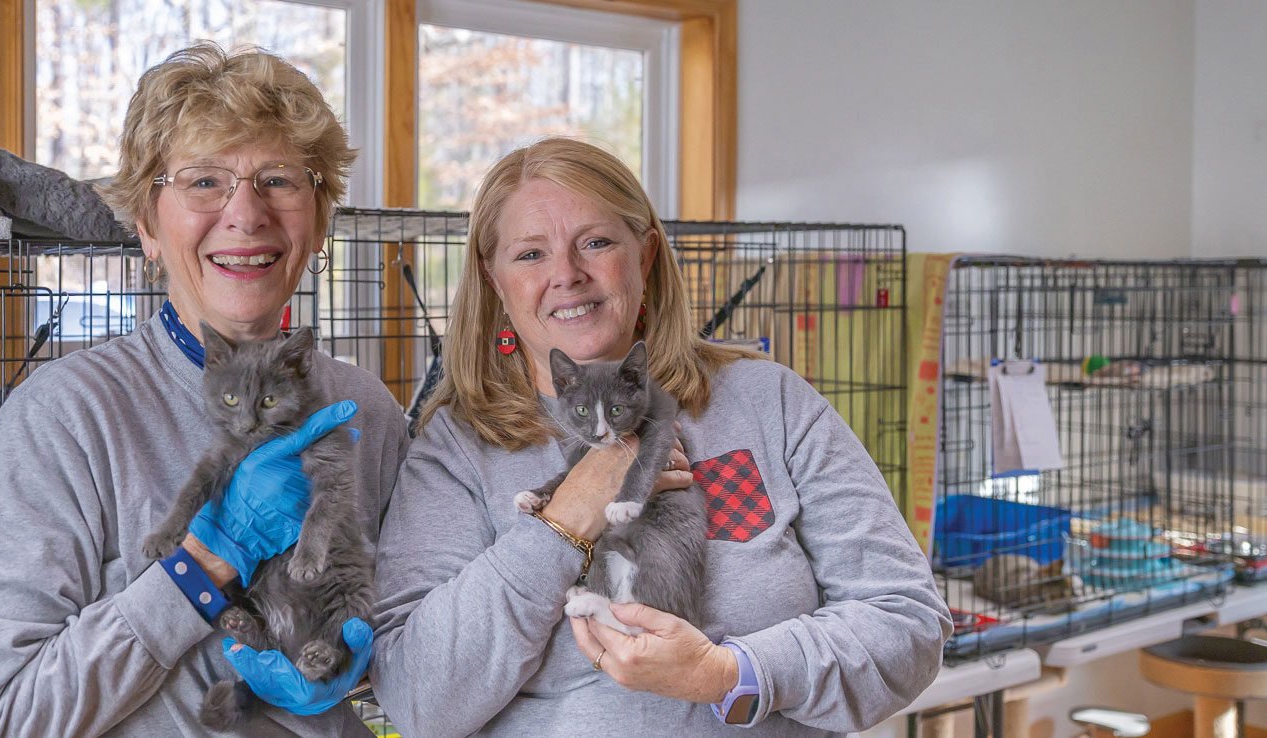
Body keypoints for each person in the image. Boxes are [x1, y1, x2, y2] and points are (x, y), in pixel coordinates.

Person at [370, 137, 949, 736]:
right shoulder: (457, 450)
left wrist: (731, 674)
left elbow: (907, 621)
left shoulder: (767, 401)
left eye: (595, 243)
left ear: (644, 257)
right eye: (530, 255)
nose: (567, 275)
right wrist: (564, 520)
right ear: (495, 281)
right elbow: (416, 701)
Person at [0, 43, 408, 737]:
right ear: (148, 227)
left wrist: (363, 661)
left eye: (279, 180)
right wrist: (199, 569)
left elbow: (410, 638)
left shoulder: (368, 409)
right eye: (202, 181)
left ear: (318, 220)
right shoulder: (65, 418)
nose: (245, 214)